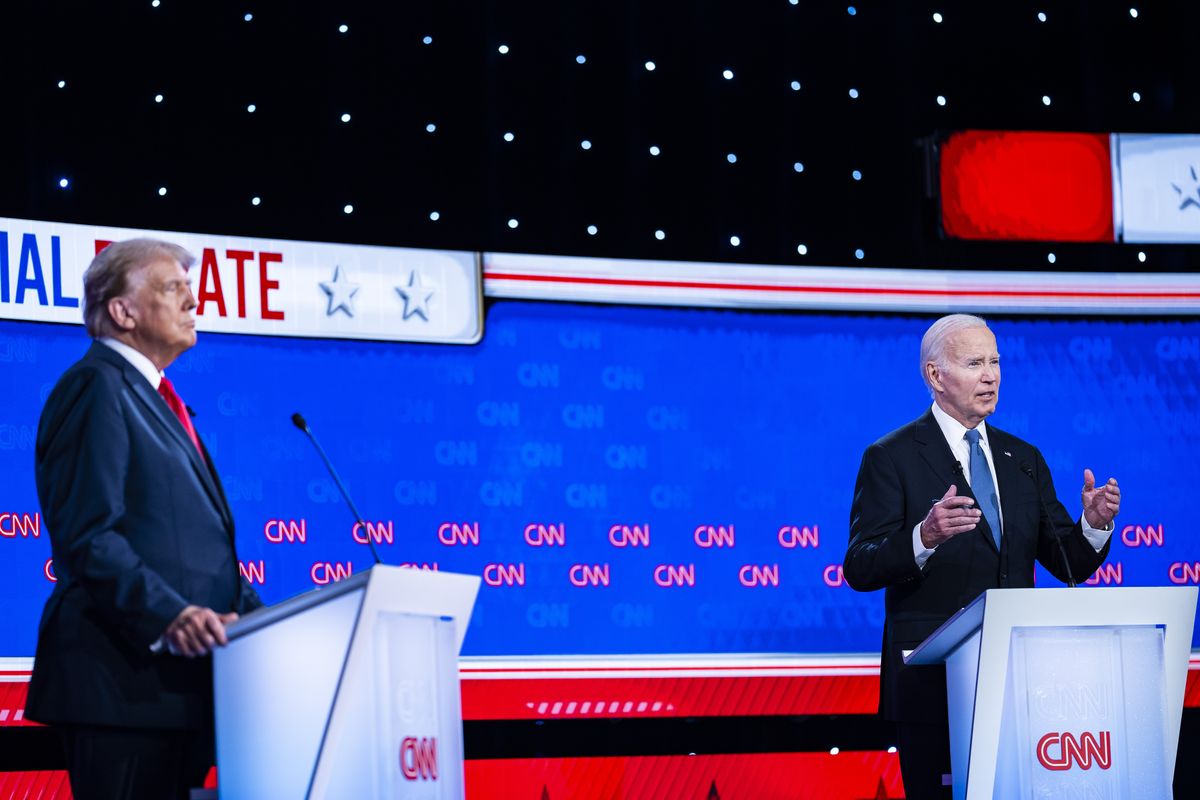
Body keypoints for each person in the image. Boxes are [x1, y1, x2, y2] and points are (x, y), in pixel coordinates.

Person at [842, 313, 1120, 800]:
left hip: (1019, 685)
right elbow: (860, 566)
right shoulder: (891, 456)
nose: (990, 375)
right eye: (974, 363)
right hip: (933, 689)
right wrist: (923, 537)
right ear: (935, 376)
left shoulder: (1022, 458)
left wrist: (1093, 526)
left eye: (995, 361)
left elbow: (1066, 561)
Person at [25, 238, 263, 800]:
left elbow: (187, 550)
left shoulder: (157, 399)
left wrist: (268, 624)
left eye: (190, 288)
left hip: (179, 689)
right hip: (121, 686)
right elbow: (87, 537)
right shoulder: (95, 385)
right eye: (173, 288)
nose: (192, 300)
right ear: (123, 311)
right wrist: (170, 614)